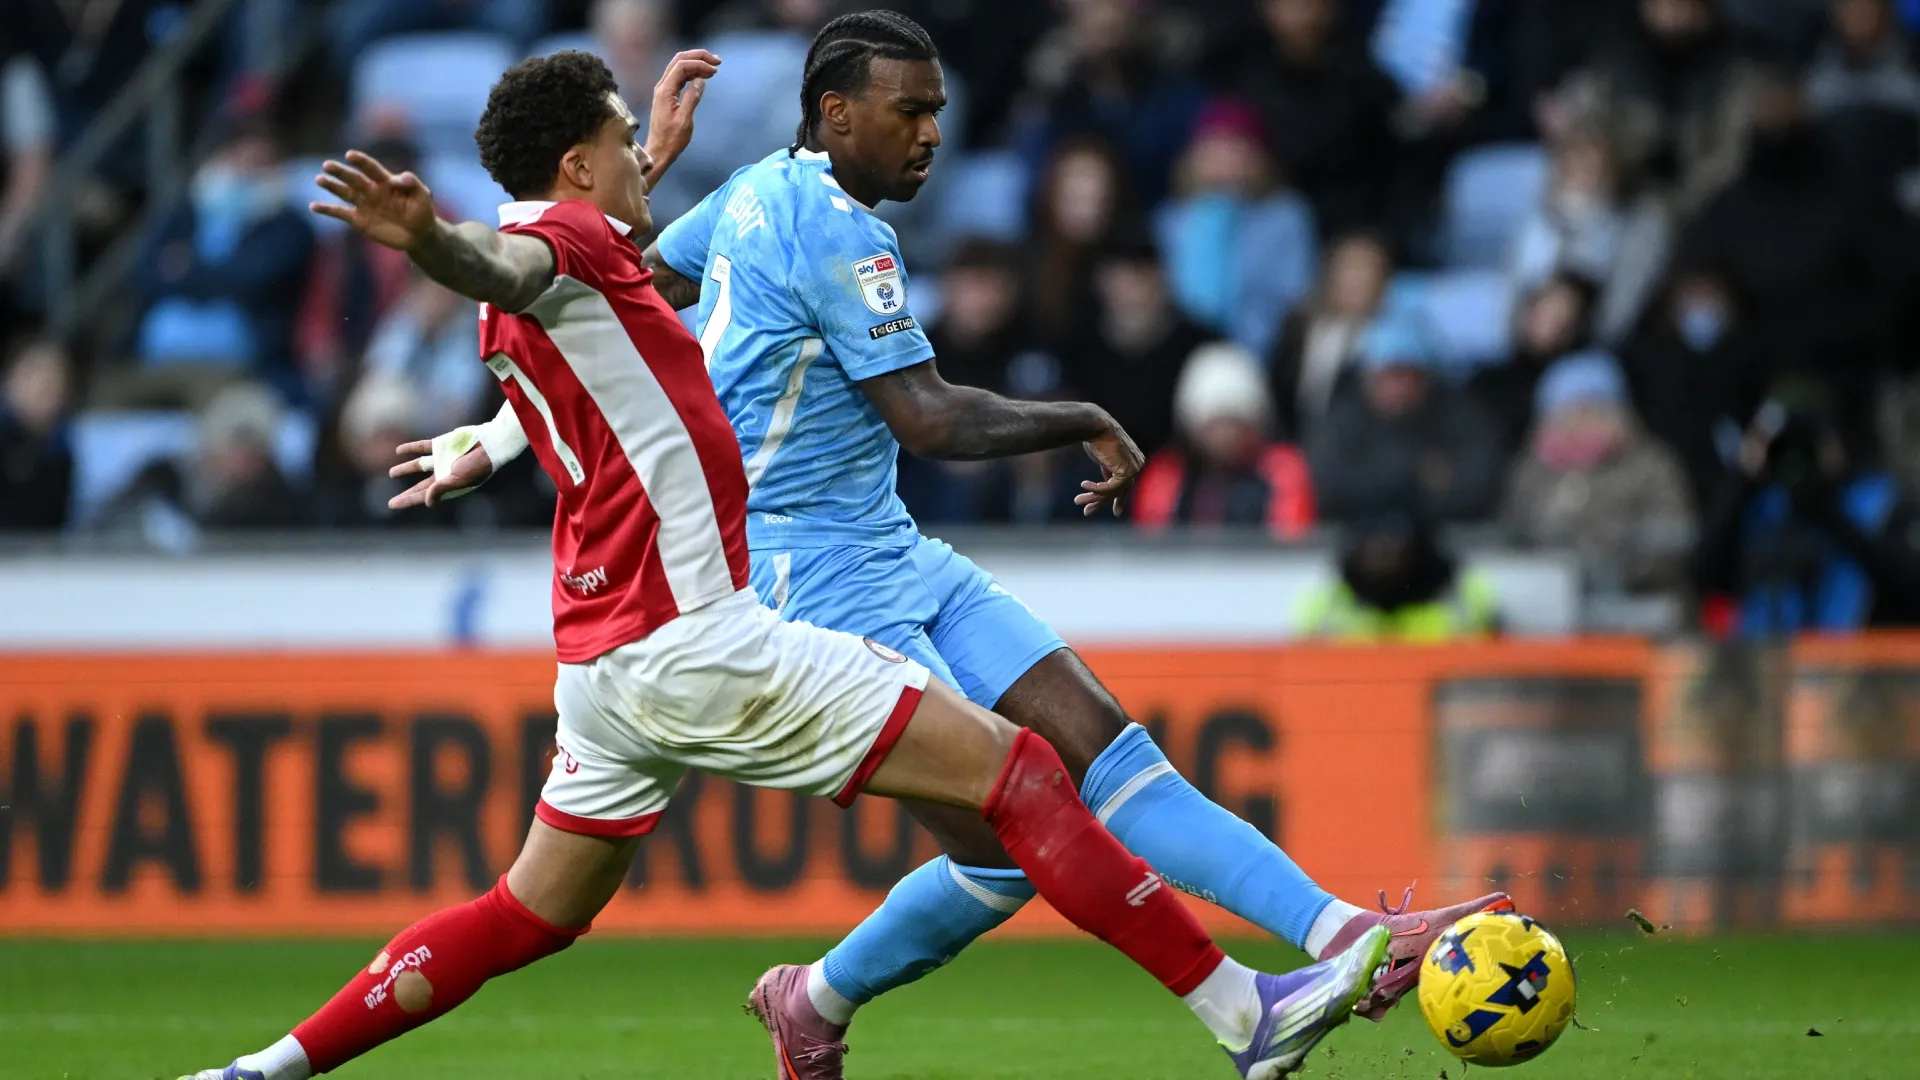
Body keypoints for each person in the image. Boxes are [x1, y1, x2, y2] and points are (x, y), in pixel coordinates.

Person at [176, 47, 1395, 1080]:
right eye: (624, 139)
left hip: (602, 669)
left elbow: (577, 265)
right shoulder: (548, 253)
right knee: (1022, 774)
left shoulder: (586, 255)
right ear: (579, 169)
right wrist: (431, 242)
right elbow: (512, 262)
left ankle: (264, 1069)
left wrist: (500, 412)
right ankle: (1242, 1013)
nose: (647, 154)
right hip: (702, 634)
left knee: (523, 914)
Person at [1501, 352, 1697, 596]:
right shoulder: (1532, 469)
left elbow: (1675, 535)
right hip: (1546, 599)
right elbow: (1509, 530)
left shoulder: (1651, 464)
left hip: (1635, 601)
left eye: (1592, 408)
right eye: (1568, 409)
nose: (1579, 420)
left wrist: (1617, 565)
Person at [1153, 97, 1317, 360]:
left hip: (1259, 353)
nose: (1224, 157)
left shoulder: (1285, 217)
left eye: (1235, 146)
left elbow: (1293, 296)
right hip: (1178, 356)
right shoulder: (1170, 219)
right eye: (1214, 146)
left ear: (1258, 157)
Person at [1308, 311, 1505, 524]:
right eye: (1386, 375)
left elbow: (1477, 490)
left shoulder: (1462, 417)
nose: (1395, 387)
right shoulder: (1344, 419)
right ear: (1366, 378)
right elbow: (1331, 491)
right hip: (1357, 536)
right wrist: (1414, 475)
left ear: (1427, 378)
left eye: (1404, 374)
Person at [1133, 341, 1315, 537]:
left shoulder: (1281, 472)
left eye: (1234, 422)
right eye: (1215, 424)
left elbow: (1291, 539)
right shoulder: (1167, 475)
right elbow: (1151, 542)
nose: (1225, 436)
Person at [1295, 508, 1501, 641]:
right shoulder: (1329, 601)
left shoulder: (1462, 597)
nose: (1384, 561)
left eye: (1393, 550)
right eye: (1376, 552)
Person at [1268, 231, 1393, 441]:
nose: (1358, 280)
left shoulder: (1397, 343)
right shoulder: (1299, 330)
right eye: (1350, 269)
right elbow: (1282, 394)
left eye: (1367, 270)